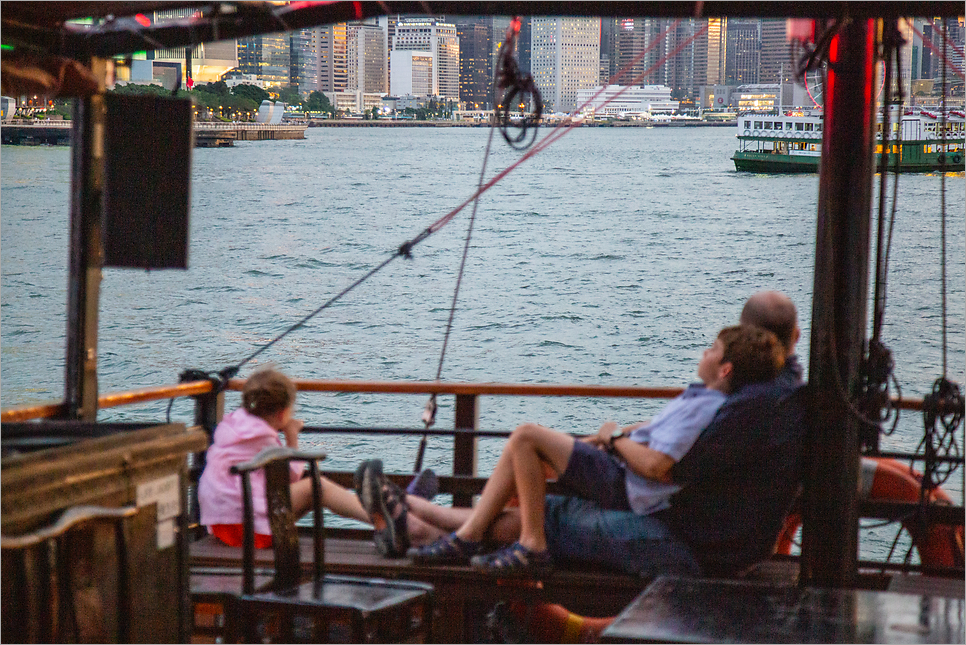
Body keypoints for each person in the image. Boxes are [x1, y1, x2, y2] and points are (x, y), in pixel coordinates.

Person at [360, 324, 785, 576]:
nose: (704, 350)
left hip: (627, 485)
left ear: (725, 368)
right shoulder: (704, 400)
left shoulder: (706, 406)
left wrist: (614, 439)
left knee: (527, 436)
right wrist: (607, 438)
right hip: (625, 476)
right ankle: (417, 516)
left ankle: (518, 544)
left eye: (712, 348)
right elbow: (654, 435)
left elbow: (658, 463)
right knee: (526, 465)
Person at [197, 366, 446, 550]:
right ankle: (393, 518)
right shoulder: (261, 436)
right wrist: (292, 436)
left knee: (311, 490)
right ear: (283, 413)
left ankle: (398, 513)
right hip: (247, 529)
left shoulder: (234, 426)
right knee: (319, 487)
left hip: (223, 524)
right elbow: (289, 478)